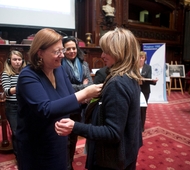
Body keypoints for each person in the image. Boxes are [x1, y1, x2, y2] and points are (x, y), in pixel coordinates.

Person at [55, 27, 143, 170]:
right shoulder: (129, 76)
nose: (102, 55)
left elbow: (112, 132)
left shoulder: (117, 83)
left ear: (119, 52)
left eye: (106, 51)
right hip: (126, 153)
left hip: (111, 159)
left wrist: (75, 127)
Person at [16, 28, 102, 170]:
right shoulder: (28, 76)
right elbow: (46, 109)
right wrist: (86, 93)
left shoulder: (59, 69)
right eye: (57, 51)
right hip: (36, 144)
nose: (62, 55)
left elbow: (71, 101)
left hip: (59, 139)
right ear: (40, 52)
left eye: (62, 50)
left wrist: (93, 97)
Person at [61, 36, 93, 170]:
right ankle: (66, 166)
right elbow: (66, 86)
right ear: (63, 50)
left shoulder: (84, 64)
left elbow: (90, 83)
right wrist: (83, 87)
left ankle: (70, 162)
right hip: (66, 106)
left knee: (74, 136)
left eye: (74, 48)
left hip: (80, 107)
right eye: (68, 49)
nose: (72, 51)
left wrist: (80, 87)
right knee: (65, 140)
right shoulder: (59, 65)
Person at [1, 50, 26, 158]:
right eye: (14, 59)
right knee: (16, 133)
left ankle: (26, 153)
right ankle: (18, 155)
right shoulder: (6, 74)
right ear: (9, 61)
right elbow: (6, 91)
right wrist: (21, 87)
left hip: (25, 106)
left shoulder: (26, 72)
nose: (17, 62)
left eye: (19, 59)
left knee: (26, 131)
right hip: (12, 107)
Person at [139, 51, 158, 132]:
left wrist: (154, 81)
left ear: (145, 59)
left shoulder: (148, 67)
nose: (140, 59)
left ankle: (141, 126)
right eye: (139, 57)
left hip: (145, 91)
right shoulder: (132, 67)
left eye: (142, 57)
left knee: (143, 108)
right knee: (134, 108)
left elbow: (149, 78)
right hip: (134, 90)